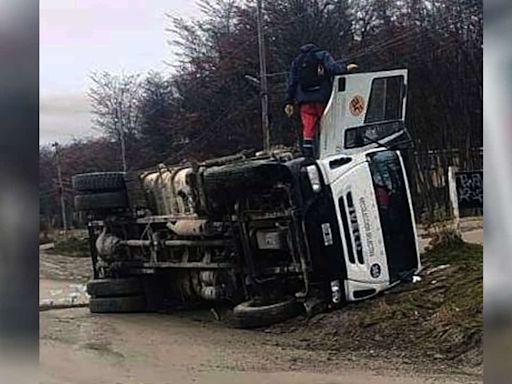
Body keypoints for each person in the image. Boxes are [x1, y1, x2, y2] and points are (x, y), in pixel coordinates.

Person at [284, 43, 357, 157]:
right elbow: (333, 68)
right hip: (322, 98)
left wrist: (289, 102)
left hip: (304, 100)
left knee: (308, 128)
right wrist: (345, 68)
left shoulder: (297, 61)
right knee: (327, 125)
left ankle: (309, 155)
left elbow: (292, 82)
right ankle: (329, 151)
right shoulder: (322, 55)